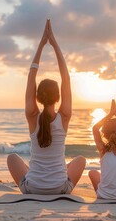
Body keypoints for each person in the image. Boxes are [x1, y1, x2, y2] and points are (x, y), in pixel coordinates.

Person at [7, 19, 86, 194]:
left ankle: (38, 178)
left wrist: (42, 45)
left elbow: (31, 76)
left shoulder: (32, 115)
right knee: (80, 159)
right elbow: (66, 77)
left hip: (32, 188)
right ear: (58, 97)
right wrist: (55, 45)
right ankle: (55, 181)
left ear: (37, 97)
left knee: (12, 158)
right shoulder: (64, 116)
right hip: (59, 188)